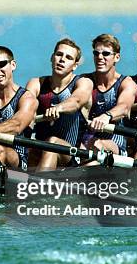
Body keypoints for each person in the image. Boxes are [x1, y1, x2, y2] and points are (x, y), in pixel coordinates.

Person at [26, 38, 93, 170]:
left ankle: (37, 188)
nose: (62, 59)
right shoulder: (36, 83)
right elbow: (25, 107)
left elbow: (77, 101)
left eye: (68, 57)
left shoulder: (83, 82)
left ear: (75, 65)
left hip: (71, 157)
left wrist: (59, 108)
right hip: (39, 152)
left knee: (52, 142)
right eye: (59, 54)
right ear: (52, 57)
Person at [0, 46, 38, 171]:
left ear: (13, 65)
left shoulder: (26, 98)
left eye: (1, 64)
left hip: (17, 161)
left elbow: (16, 125)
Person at [82, 34, 137, 156]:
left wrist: (107, 116)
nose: (100, 57)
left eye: (106, 54)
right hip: (85, 143)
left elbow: (124, 107)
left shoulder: (127, 83)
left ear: (117, 57)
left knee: (96, 143)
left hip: (115, 146)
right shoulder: (85, 81)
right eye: (96, 54)